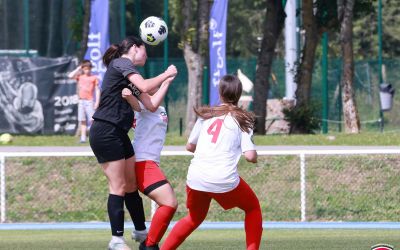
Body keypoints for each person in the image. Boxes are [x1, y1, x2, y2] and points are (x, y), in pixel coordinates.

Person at [89, 36, 177, 250]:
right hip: (105, 130)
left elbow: (150, 105)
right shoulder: (121, 63)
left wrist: (166, 82)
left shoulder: (129, 77)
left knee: (130, 186)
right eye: (145, 49)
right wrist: (166, 72)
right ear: (136, 48)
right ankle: (116, 240)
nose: (146, 55)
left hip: (119, 133)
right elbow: (146, 85)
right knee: (118, 186)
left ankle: (140, 231)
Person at [161, 75, 263, 250]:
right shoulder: (242, 119)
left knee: (193, 218)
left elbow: (190, 146)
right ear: (239, 94)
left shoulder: (206, 115)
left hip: (196, 177)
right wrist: (254, 155)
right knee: (253, 208)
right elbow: (250, 156)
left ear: (220, 93)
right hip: (223, 178)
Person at [122, 86, 178, 250]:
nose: (154, 86)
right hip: (142, 162)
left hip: (149, 162)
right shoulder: (144, 106)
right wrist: (167, 79)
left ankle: (149, 244)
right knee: (169, 203)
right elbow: (135, 100)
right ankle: (149, 244)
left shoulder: (158, 107)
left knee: (169, 203)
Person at [68, 60, 100, 143]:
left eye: (89, 68)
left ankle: (95, 137)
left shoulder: (94, 78)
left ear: (91, 68)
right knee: (82, 120)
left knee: (92, 120)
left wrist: (97, 102)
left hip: (89, 101)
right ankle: (83, 138)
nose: (87, 70)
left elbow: (97, 90)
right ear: (83, 69)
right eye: (85, 69)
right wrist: (78, 68)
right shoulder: (80, 76)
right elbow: (70, 76)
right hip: (81, 101)